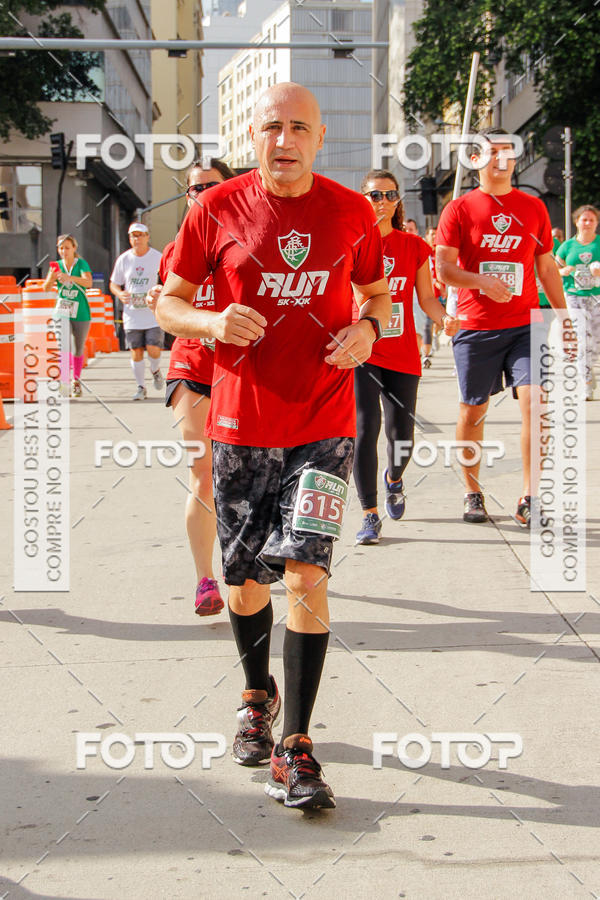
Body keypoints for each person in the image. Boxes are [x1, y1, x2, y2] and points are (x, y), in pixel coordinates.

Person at [157, 83, 390, 810]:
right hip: (241, 428)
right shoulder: (214, 207)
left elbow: (379, 294)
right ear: (251, 137)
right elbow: (168, 299)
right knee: (245, 581)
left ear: (320, 139)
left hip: (323, 428)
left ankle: (298, 747)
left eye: (298, 128)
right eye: (270, 128)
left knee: (305, 574)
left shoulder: (352, 211)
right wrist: (210, 321)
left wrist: (369, 330)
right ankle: (258, 693)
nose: (283, 140)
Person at [436, 129, 571, 528]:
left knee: (536, 403)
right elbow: (444, 270)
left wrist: (564, 318)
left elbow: (546, 268)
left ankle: (530, 496)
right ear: (476, 160)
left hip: (525, 323)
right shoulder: (459, 209)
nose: (500, 160)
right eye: (491, 153)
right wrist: (481, 282)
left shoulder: (533, 208)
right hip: (476, 328)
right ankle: (473, 491)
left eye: (507, 153)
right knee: (472, 411)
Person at [146, 158, 236, 616]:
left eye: (212, 186)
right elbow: (171, 306)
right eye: (195, 188)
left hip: (243, 371)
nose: (202, 194)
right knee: (202, 471)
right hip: (192, 365)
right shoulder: (173, 248)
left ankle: (249, 560)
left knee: (243, 474)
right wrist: (158, 302)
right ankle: (206, 580)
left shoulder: (248, 241)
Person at [354, 171, 459, 545]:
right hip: (362, 352)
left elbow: (426, 298)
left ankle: (394, 479)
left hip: (402, 354)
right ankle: (369, 515)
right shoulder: (349, 242)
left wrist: (443, 318)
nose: (381, 201)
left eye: (388, 194)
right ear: (362, 199)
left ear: (398, 201)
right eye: (373, 195)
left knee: (402, 436)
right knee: (365, 429)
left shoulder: (413, 246)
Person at [109, 223, 164, 400]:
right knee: (136, 351)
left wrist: (160, 290)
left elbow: (168, 278)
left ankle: (155, 369)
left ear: (148, 237)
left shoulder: (157, 257)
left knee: (153, 348)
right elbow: (114, 283)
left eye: (140, 235)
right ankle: (141, 387)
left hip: (153, 313)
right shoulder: (124, 259)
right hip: (132, 314)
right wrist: (120, 294)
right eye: (134, 236)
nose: (137, 239)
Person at [555, 205, 600, 400]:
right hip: (574, 295)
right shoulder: (567, 246)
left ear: (597, 223)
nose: (588, 223)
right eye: (584, 219)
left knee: (596, 342)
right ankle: (587, 383)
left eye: (591, 220)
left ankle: (591, 371)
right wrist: (562, 271)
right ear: (577, 222)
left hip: (597, 296)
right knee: (582, 340)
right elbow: (554, 268)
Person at [43, 233, 92, 397]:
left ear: (74, 248)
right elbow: (46, 288)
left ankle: (76, 381)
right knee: (63, 346)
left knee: (78, 348)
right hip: (62, 309)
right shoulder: (55, 266)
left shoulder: (81, 264)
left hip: (81, 310)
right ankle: (64, 382)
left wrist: (69, 277)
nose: (64, 251)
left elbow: (88, 283)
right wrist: (51, 278)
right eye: (61, 248)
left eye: (67, 248)